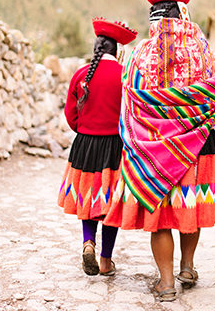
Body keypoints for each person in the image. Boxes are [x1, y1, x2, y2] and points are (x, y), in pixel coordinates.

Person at [104, 0, 215, 302]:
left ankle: (166, 282)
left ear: (153, 16)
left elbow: (130, 99)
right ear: (183, 12)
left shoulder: (139, 53)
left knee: (160, 214)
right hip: (200, 144)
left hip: (153, 148)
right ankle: (187, 265)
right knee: (190, 207)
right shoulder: (204, 50)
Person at [58, 18, 138, 277]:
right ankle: (105, 261)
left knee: (88, 196)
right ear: (117, 51)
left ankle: (88, 242)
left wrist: (85, 132)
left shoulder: (81, 75)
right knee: (110, 202)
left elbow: (71, 115)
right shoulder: (126, 75)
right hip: (115, 146)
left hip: (85, 145)